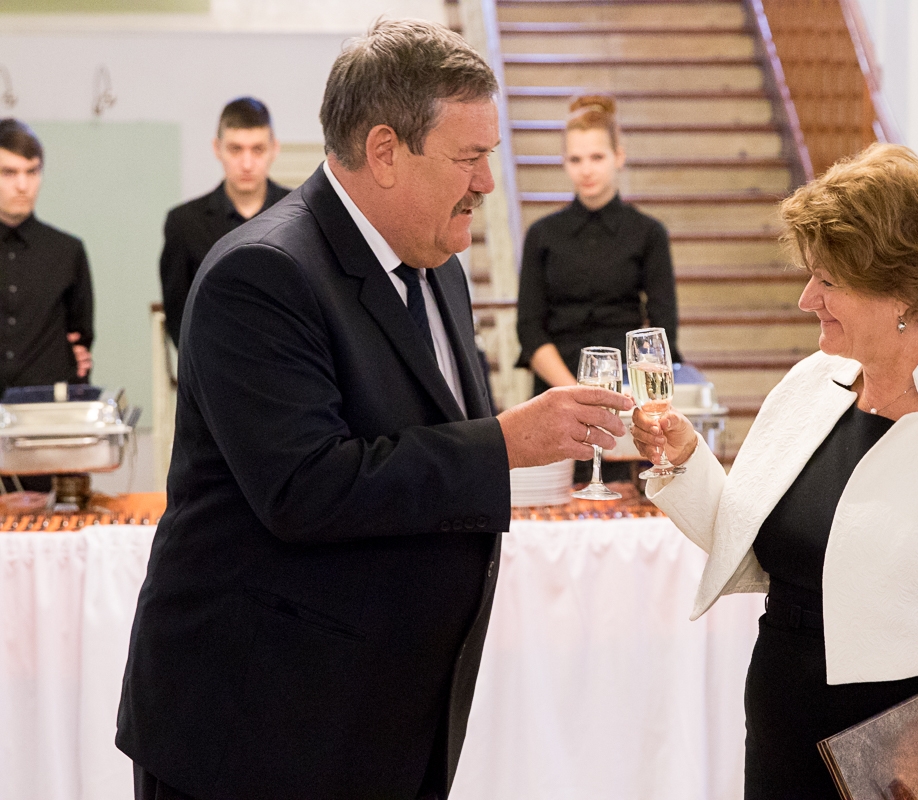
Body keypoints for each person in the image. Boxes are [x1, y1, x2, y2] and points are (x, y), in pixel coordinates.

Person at [117, 20, 631, 800]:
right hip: (258, 730)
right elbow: (306, 488)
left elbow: (424, 441)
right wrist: (502, 444)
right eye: (469, 157)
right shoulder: (262, 274)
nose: (487, 182)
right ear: (385, 151)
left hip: (380, 718)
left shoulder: (437, 260)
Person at [632, 144, 918, 799]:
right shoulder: (810, 384)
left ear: (902, 293)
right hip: (781, 723)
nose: (808, 299)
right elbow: (754, 541)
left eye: (828, 281)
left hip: (903, 756)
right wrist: (688, 460)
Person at [516, 94, 680, 396]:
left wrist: (625, 392)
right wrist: (577, 393)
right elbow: (529, 329)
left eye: (597, 157)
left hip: (629, 386)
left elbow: (663, 328)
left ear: (618, 157)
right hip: (557, 388)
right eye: (575, 160)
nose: (586, 170)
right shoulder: (541, 234)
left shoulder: (648, 232)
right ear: (564, 162)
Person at [158, 97, 289, 347]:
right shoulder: (184, 223)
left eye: (257, 149)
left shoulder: (302, 215)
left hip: (289, 360)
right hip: (212, 360)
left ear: (274, 149)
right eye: (235, 149)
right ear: (217, 148)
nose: (247, 164)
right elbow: (179, 315)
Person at [0, 118, 93, 396]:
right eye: (8, 173)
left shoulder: (67, 250)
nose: (23, 185)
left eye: (32, 172)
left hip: (46, 404)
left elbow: (81, 335)